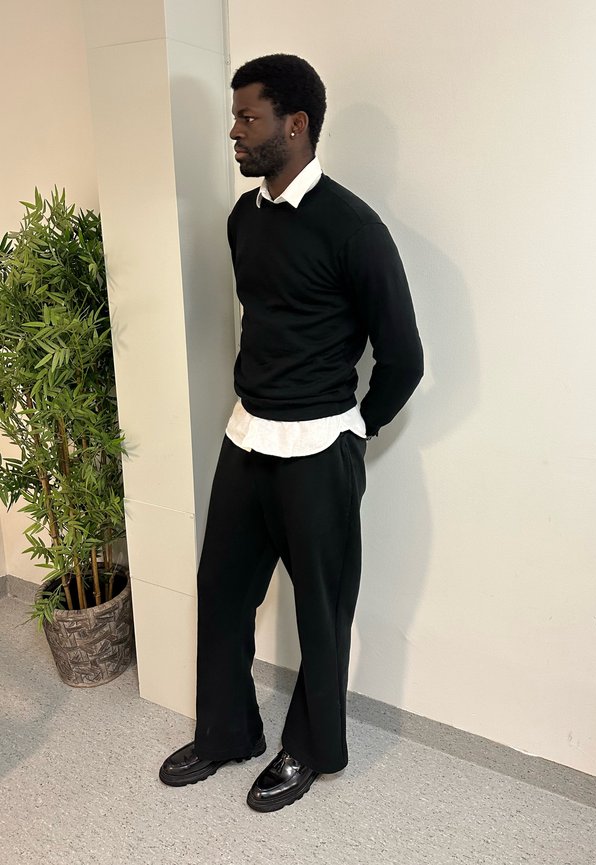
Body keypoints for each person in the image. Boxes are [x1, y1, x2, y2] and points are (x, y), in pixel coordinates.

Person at [159, 53, 423, 813]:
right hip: (247, 437)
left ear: (296, 124)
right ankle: (225, 732)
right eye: (236, 117)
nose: (233, 133)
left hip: (320, 449)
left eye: (247, 117)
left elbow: (403, 356)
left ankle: (307, 750)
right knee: (220, 590)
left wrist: (356, 431)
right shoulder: (244, 218)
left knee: (320, 610)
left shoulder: (354, 227)